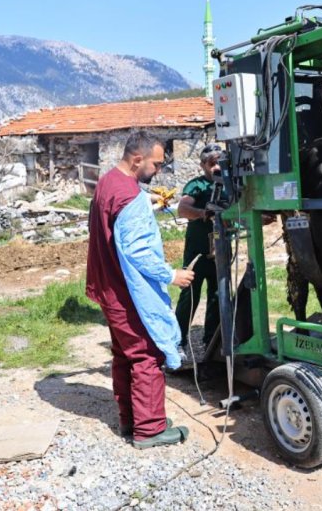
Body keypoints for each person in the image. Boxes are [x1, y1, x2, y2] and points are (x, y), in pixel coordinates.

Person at [85, 131, 195, 449]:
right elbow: (138, 252)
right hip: (125, 291)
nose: (158, 170)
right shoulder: (128, 195)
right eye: (155, 164)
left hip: (107, 285)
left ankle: (131, 419)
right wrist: (170, 275)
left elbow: (119, 222)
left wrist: (149, 207)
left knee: (124, 354)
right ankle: (149, 429)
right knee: (147, 353)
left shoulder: (109, 182)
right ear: (137, 160)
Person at [175, 143, 223, 363]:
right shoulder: (196, 185)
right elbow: (183, 210)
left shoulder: (229, 184)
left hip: (221, 249)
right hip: (198, 250)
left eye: (219, 163)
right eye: (212, 164)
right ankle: (178, 342)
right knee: (190, 295)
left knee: (217, 296)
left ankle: (210, 342)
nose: (216, 168)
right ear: (203, 165)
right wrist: (204, 213)